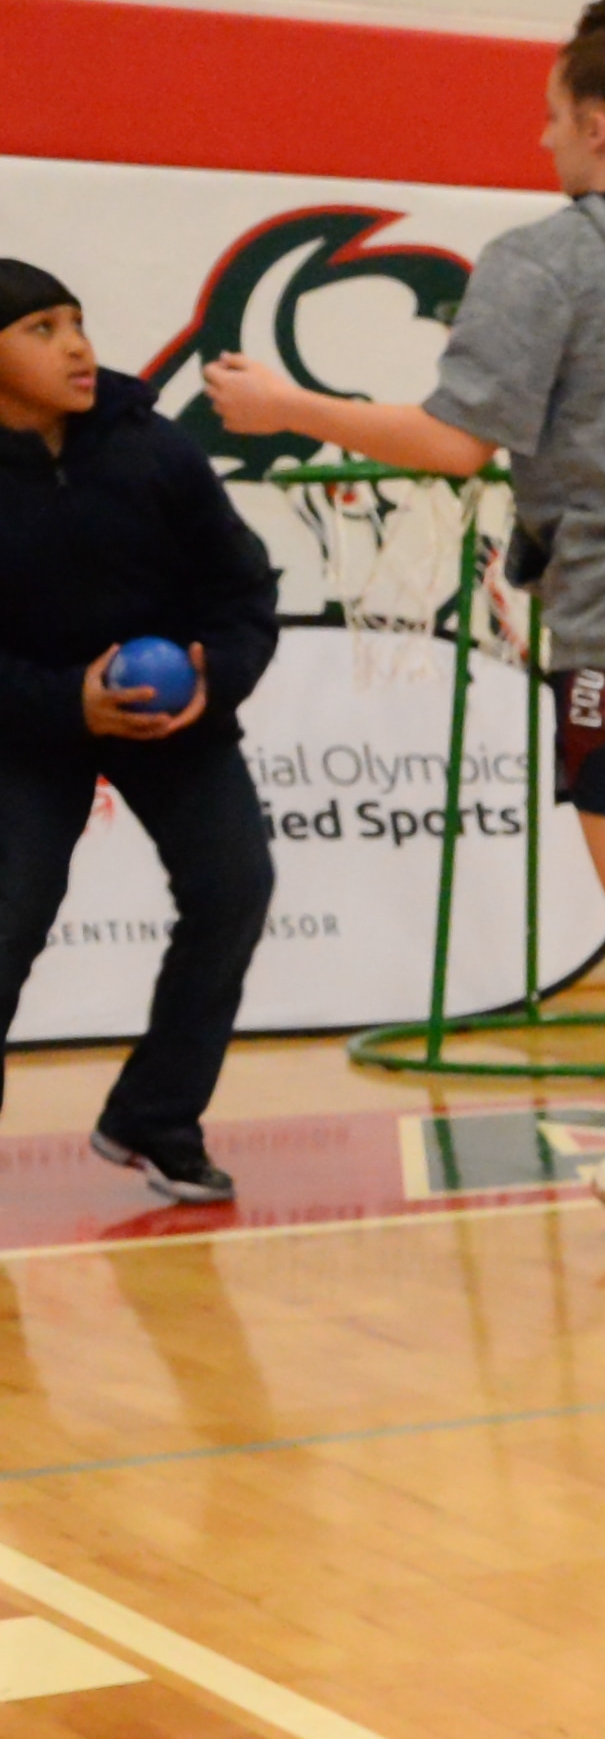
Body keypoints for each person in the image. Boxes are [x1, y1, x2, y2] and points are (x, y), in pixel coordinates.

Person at [207, 0, 605, 1303]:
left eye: (554, 118)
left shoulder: (546, 262)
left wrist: (286, 405)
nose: (543, 139)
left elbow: (454, 443)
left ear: (602, 126)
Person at [0, 258, 278, 1208]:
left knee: (235, 885)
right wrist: (62, 703)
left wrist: (216, 677)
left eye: (76, 320)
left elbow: (242, 590)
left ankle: (155, 1119)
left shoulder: (153, 449)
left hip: (170, 717)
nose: (76, 345)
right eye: (40, 328)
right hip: (24, 726)